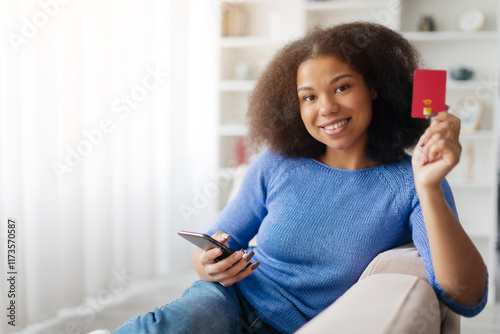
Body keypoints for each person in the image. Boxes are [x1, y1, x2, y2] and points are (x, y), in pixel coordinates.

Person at [114, 21, 488, 334]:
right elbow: (214, 244)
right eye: (308, 97)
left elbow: (467, 297)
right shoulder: (277, 163)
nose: (326, 108)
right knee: (183, 318)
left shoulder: (410, 183)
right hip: (228, 302)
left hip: (303, 326)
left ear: (374, 88)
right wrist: (209, 264)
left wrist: (428, 185)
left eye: (342, 87)